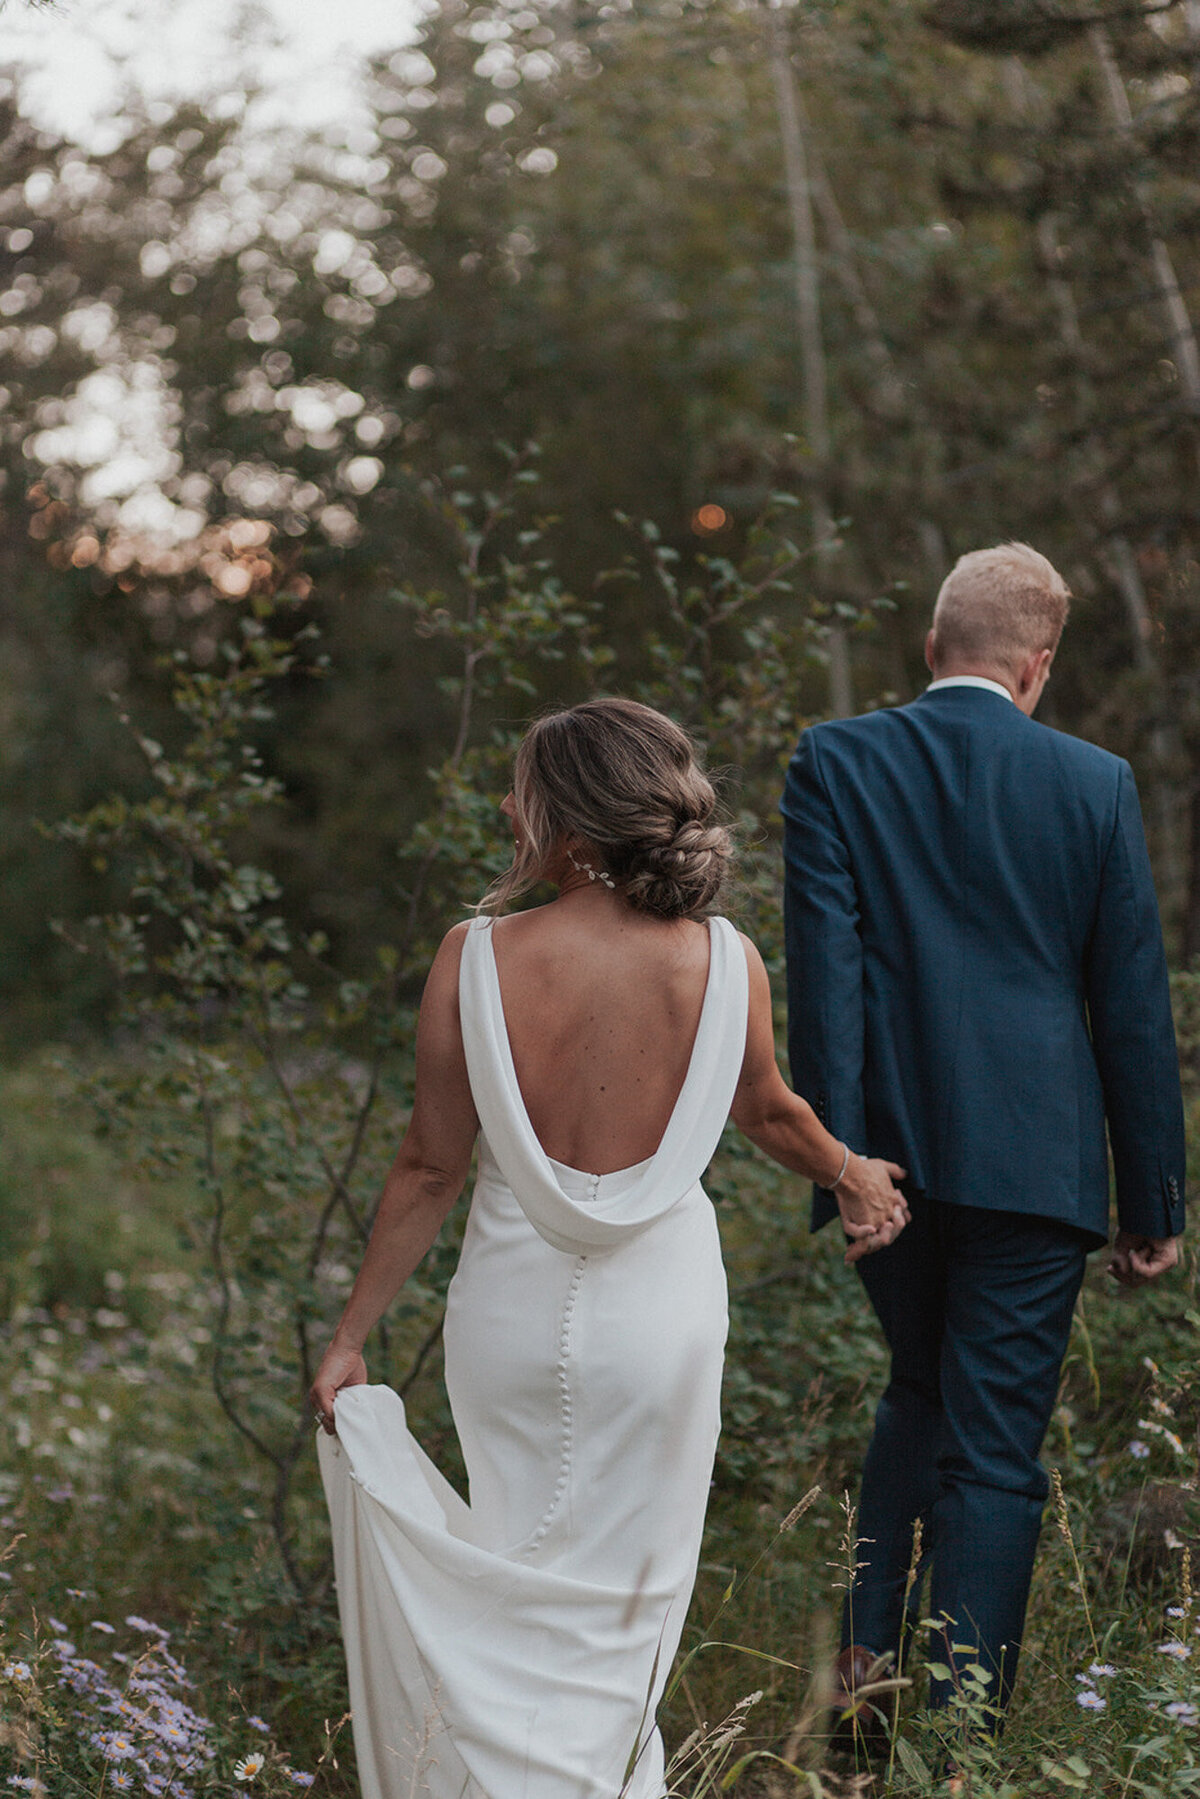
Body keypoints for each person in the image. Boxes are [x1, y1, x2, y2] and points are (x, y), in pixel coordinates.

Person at [309, 697, 908, 1799]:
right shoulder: (725, 960)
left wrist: (352, 1337)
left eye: (524, 791)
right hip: (660, 1326)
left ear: (573, 824)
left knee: (513, 1576)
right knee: (625, 1609)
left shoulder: (473, 956)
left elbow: (430, 1166)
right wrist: (853, 1170)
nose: (505, 806)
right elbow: (769, 1108)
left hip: (509, 1318)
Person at [781, 542, 1186, 1727]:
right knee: (996, 1444)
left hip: (886, 1160)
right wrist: (1153, 1200)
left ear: (930, 648)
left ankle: (863, 1670)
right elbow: (1131, 1001)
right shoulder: (1094, 781)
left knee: (917, 1391)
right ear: (1036, 667)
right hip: (1037, 1167)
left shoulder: (836, 760)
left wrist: (843, 1165)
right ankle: (957, 1730)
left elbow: (827, 978)